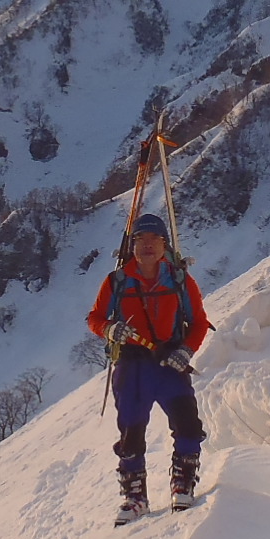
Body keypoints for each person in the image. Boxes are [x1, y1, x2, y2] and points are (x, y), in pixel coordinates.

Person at [87, 212, 209, 522]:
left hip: (169, 363)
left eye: (154, 239)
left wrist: (186, 350)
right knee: (131, 432)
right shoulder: (117, 281)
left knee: (188, 424)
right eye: (141, 240)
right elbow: (95, 318)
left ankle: (183, 482)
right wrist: (111, 330)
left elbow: (198, 323)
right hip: (132, 366)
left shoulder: (179, 279)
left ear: (165, 244)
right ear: (132, 246)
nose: (147, 246)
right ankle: (135, 497)